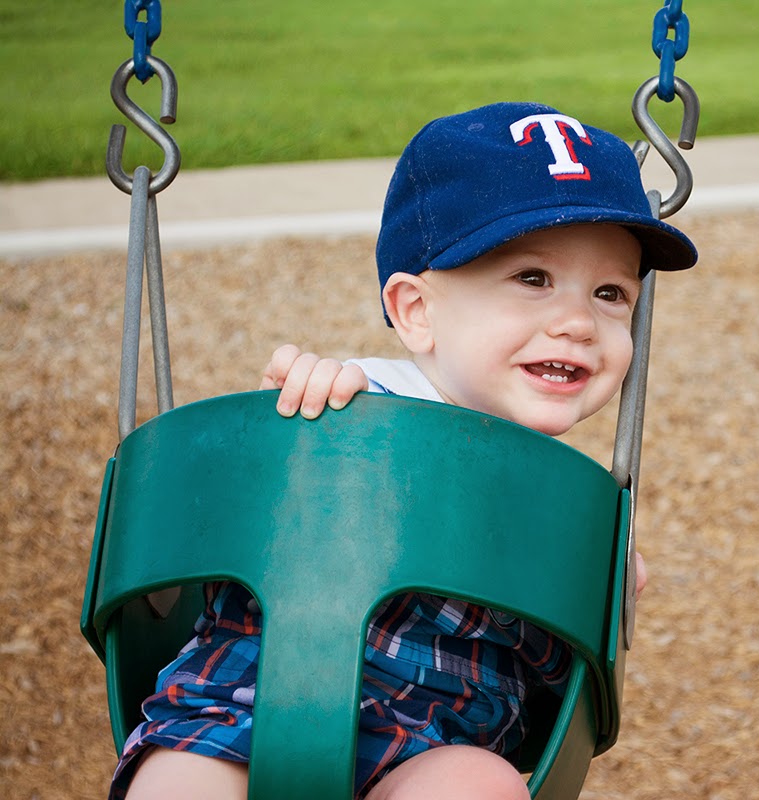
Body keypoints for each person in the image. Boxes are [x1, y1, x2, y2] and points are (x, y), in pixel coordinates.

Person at [113, 101, 697, 800]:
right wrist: (300, 410)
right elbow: (250, 493)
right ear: (416, 311)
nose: (577, 322)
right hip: (250, 702)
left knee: (481, 786)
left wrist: (601, 579)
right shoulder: (363, 398)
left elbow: (563, 671)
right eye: (533, 279)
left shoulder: (572, 503)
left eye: (610, 294)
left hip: (441, 741)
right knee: (180, 786)